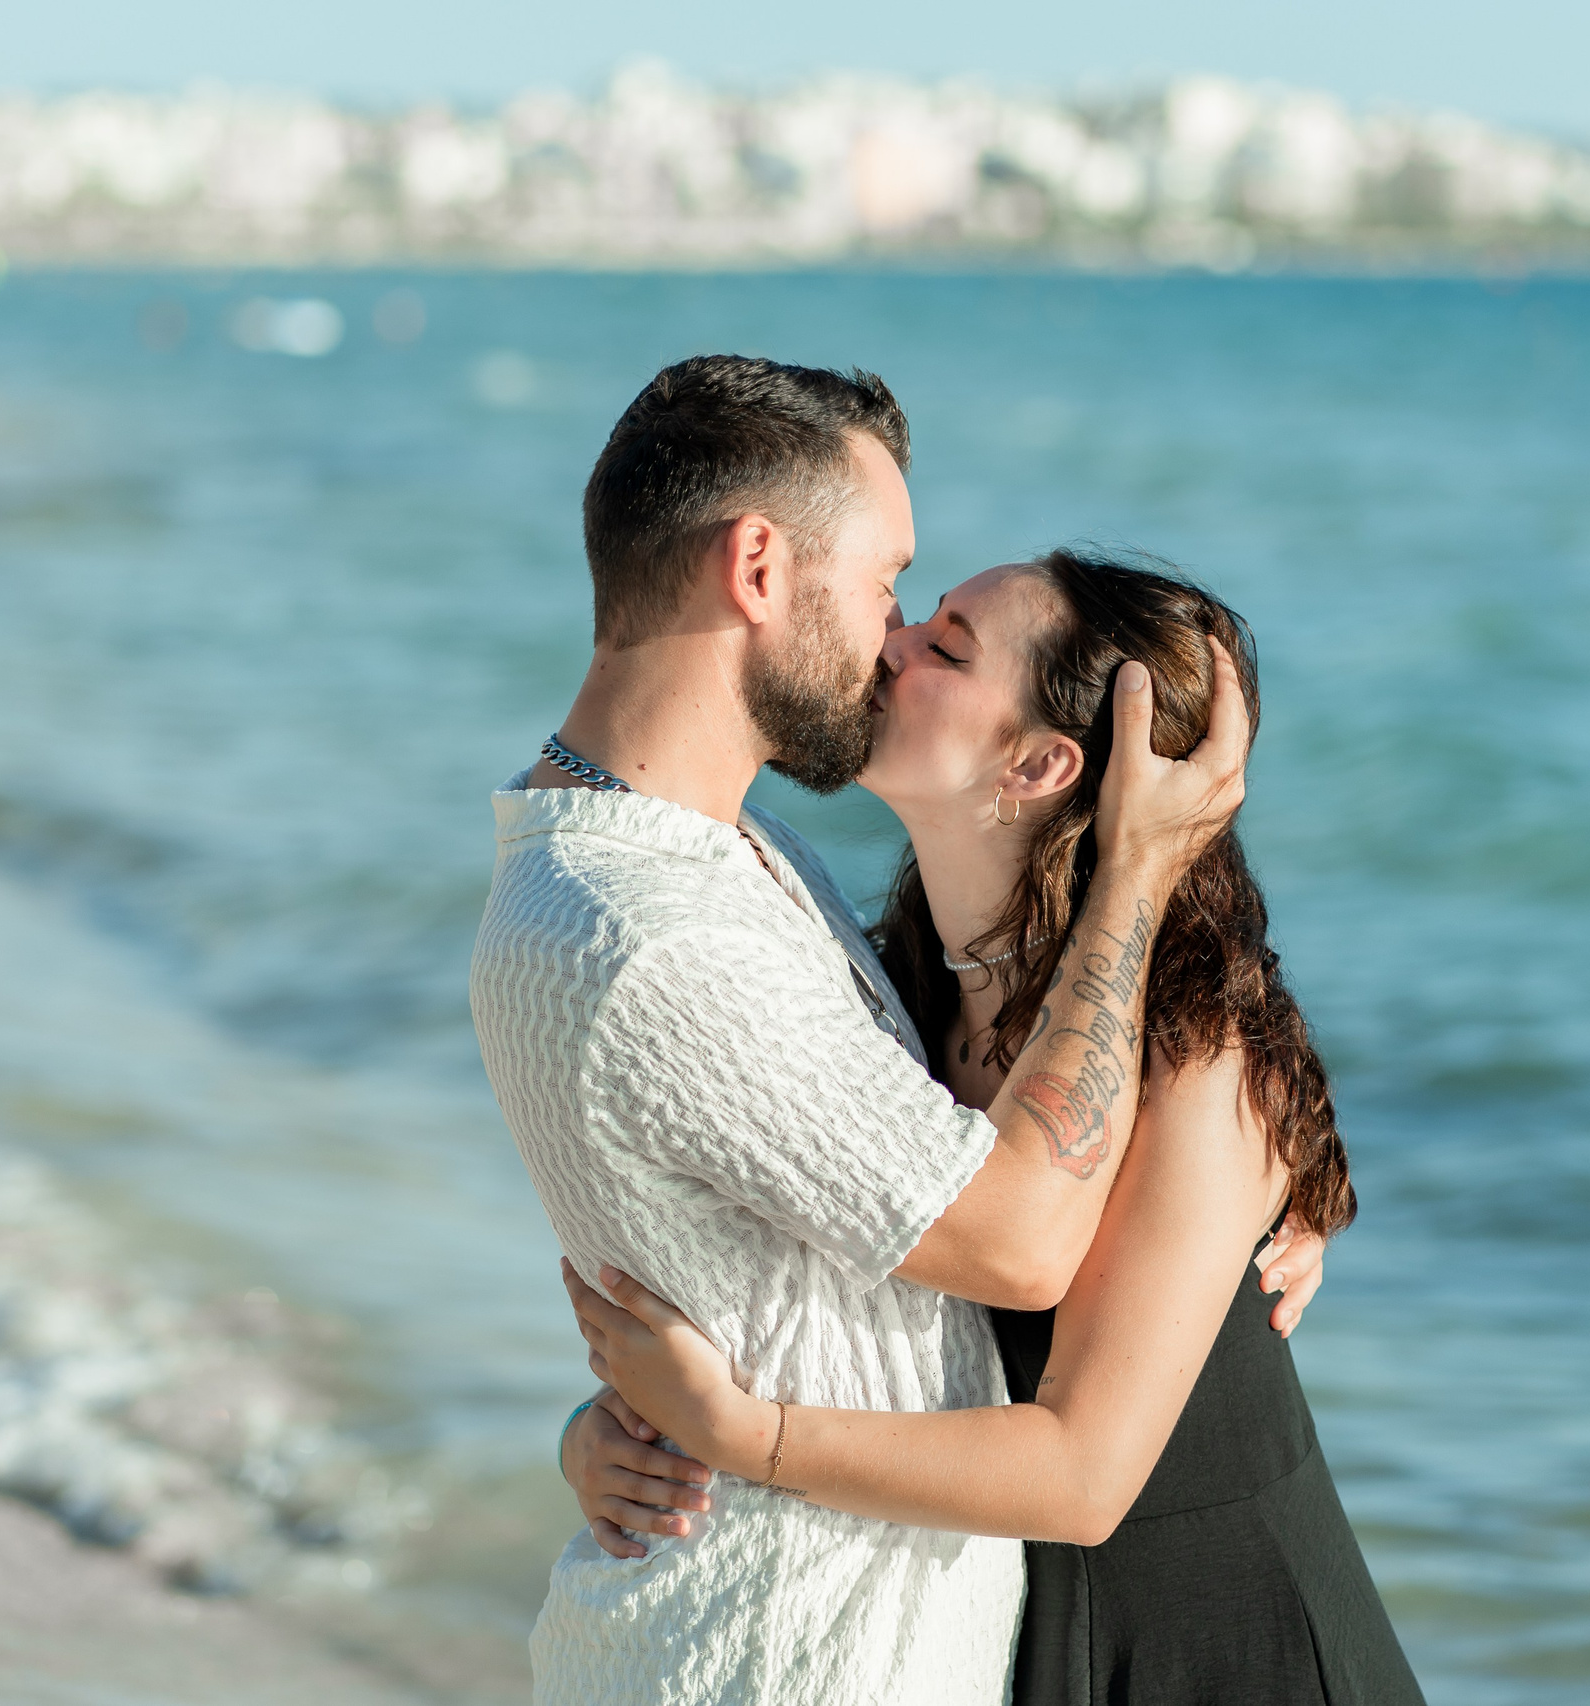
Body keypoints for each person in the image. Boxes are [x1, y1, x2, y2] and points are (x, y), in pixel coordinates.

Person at [468, 356, 1272, 1706]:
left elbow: (746, 1261)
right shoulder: (653, 937)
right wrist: (1136, 868)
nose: (894, 632)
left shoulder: (724, 856)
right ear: (760, 568)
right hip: (775, 1662)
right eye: (889, 582)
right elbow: (1017, 1240)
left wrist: (1262, 1188)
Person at [563, 549, 1425, 1705]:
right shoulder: (889, 1000)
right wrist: (612, 1432)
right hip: (1008, 1639)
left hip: (1229, 1650)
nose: (889, 644)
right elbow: (793, 1306)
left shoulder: (1198, 1058)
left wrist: (738, 1430)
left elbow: (1080, 1474)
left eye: (945, 646)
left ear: (1037, 764)